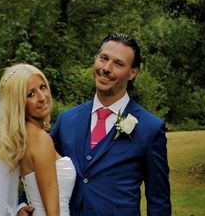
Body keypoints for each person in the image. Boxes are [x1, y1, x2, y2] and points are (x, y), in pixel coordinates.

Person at [21, 33, 171, 216]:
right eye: (103, 58)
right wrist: (21, 205)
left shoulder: (150, 128)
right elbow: (34, 166)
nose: (106, 68)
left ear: (133, 72)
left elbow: (159, 201)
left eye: (118, 63)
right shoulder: (67, 120)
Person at [0, 63, 76, 216]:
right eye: (30, 94)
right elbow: (53, 211)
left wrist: (19, 208)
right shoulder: (41, 140)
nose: (42, 97)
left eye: (42, 87)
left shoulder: (22, 138)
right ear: (19, 103)